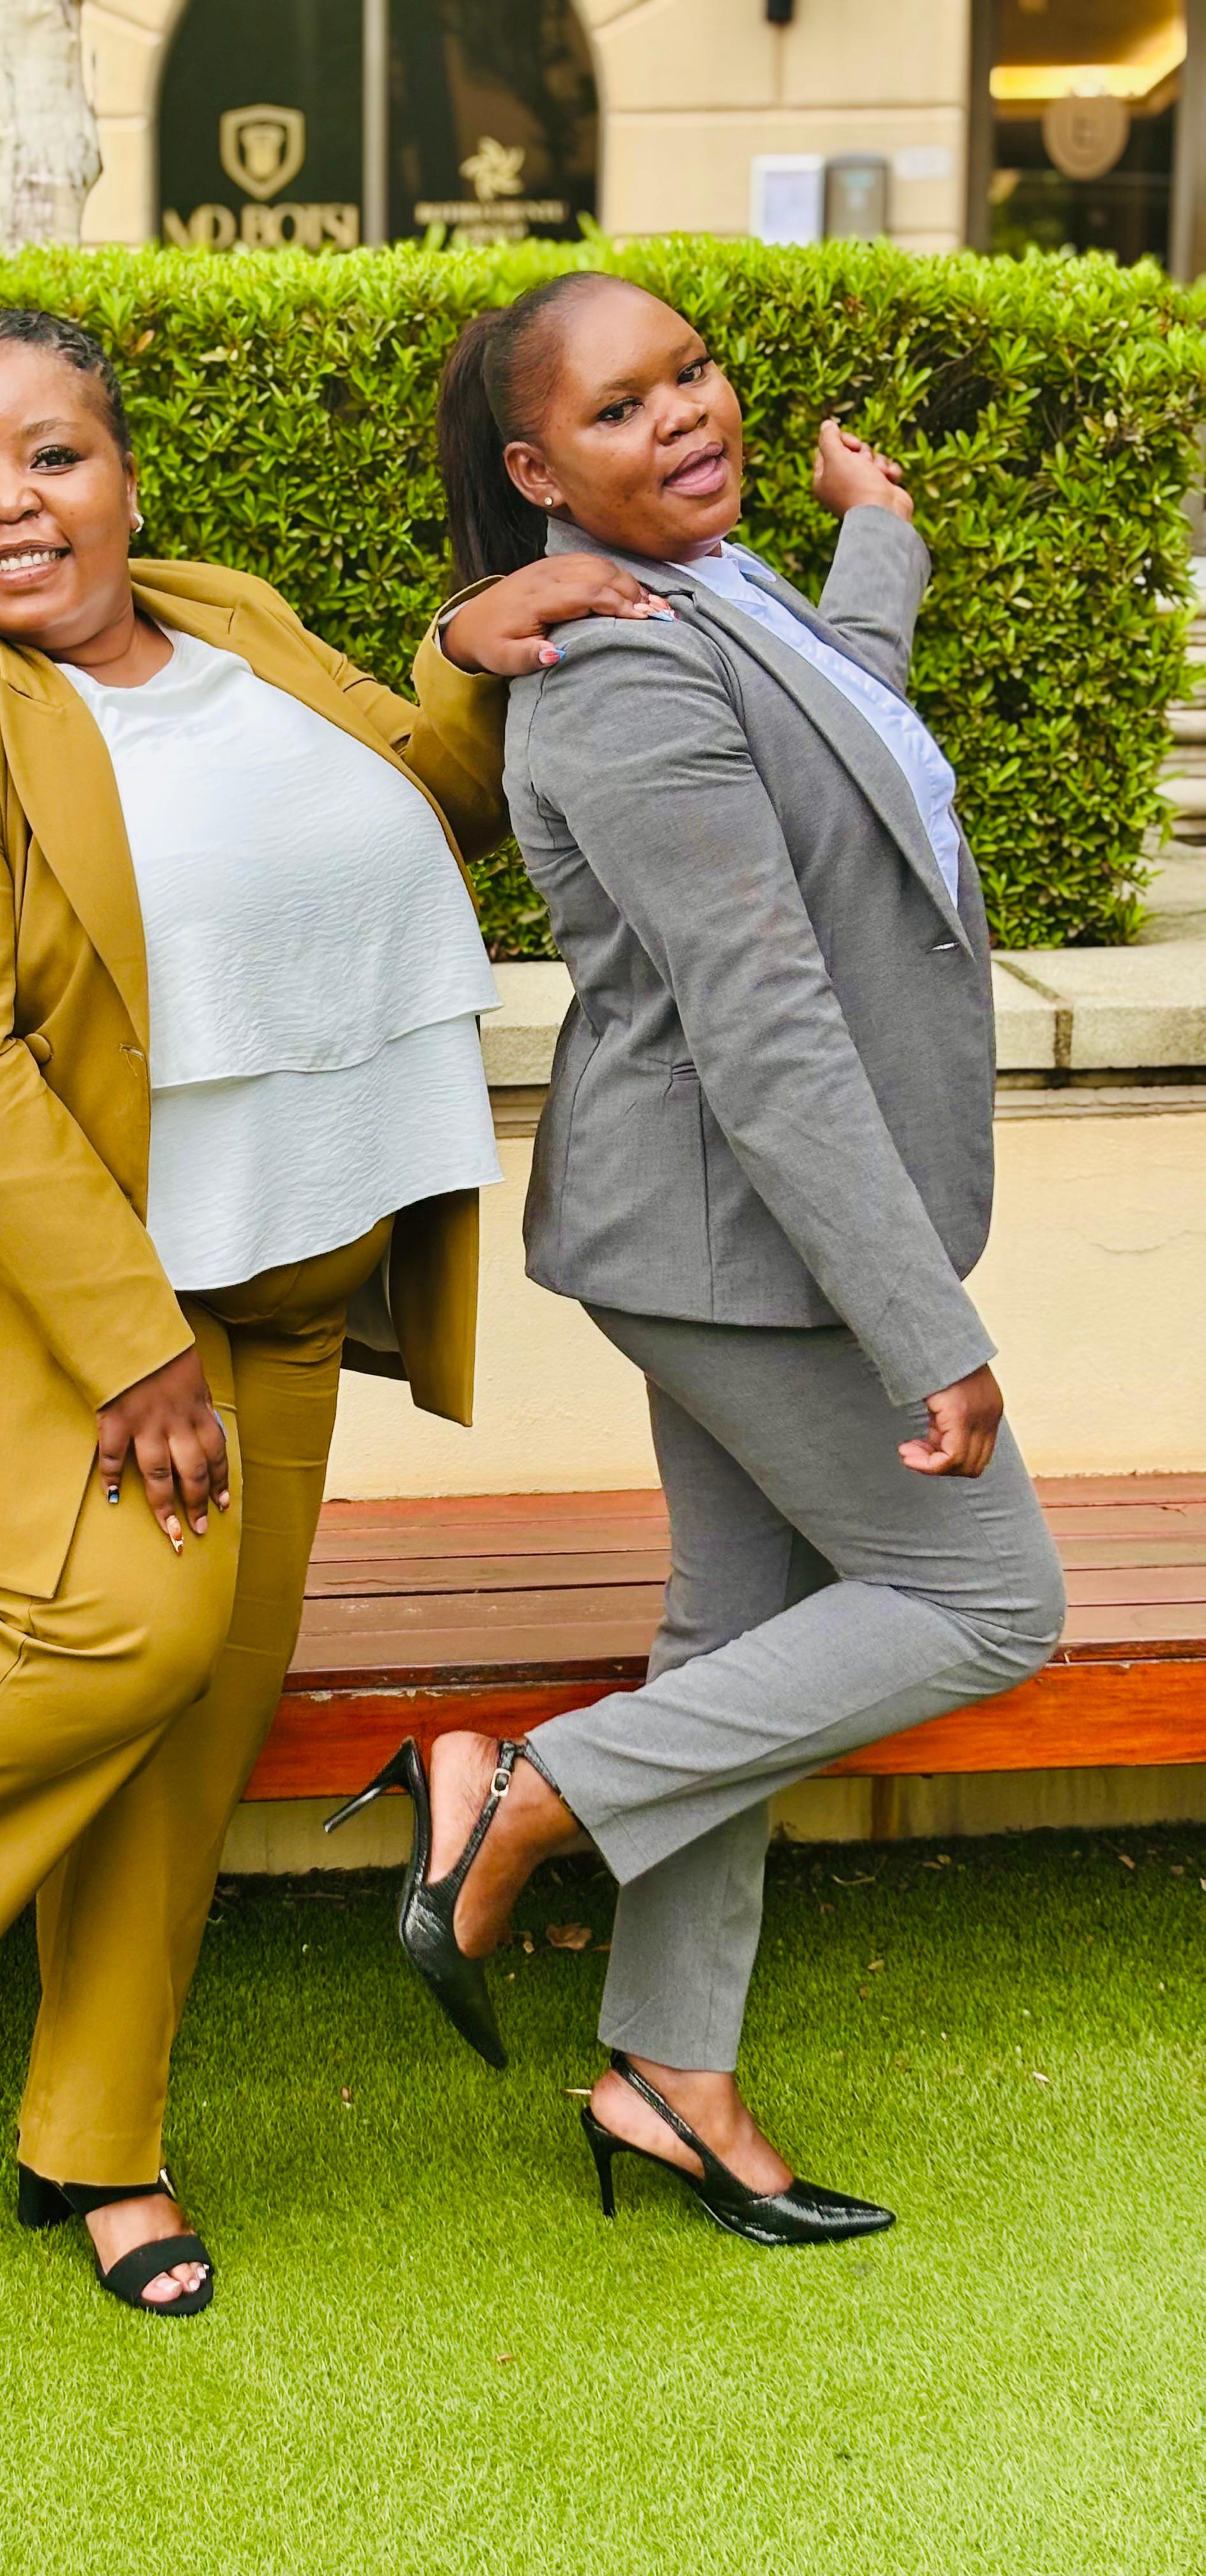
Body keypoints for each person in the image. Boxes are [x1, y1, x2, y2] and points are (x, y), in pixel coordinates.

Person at [0, 306, 671, 2314]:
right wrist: (130, 1345)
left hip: (295, 1272)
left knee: (200, 1720)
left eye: (51, 456)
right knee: (125, 1626)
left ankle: (100, 2145)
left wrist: (474, 641)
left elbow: (432, 790)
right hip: (76, 1298)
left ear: (126, 477)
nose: (7, 505)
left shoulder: (227, 616)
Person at [332, 272, 1067, 2247]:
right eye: (618, 407)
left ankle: (669, 2074)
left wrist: (877, 532)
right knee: (991, 1600)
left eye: (693, 372)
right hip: (744, 1233)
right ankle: (516, 1795)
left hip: (728, 1226)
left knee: (741, 1645)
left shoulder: (710, 593)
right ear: (533, 471)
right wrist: (927, 1328)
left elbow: (844, 708)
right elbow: (766, 1029)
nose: (682, 415)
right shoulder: (617, 670)